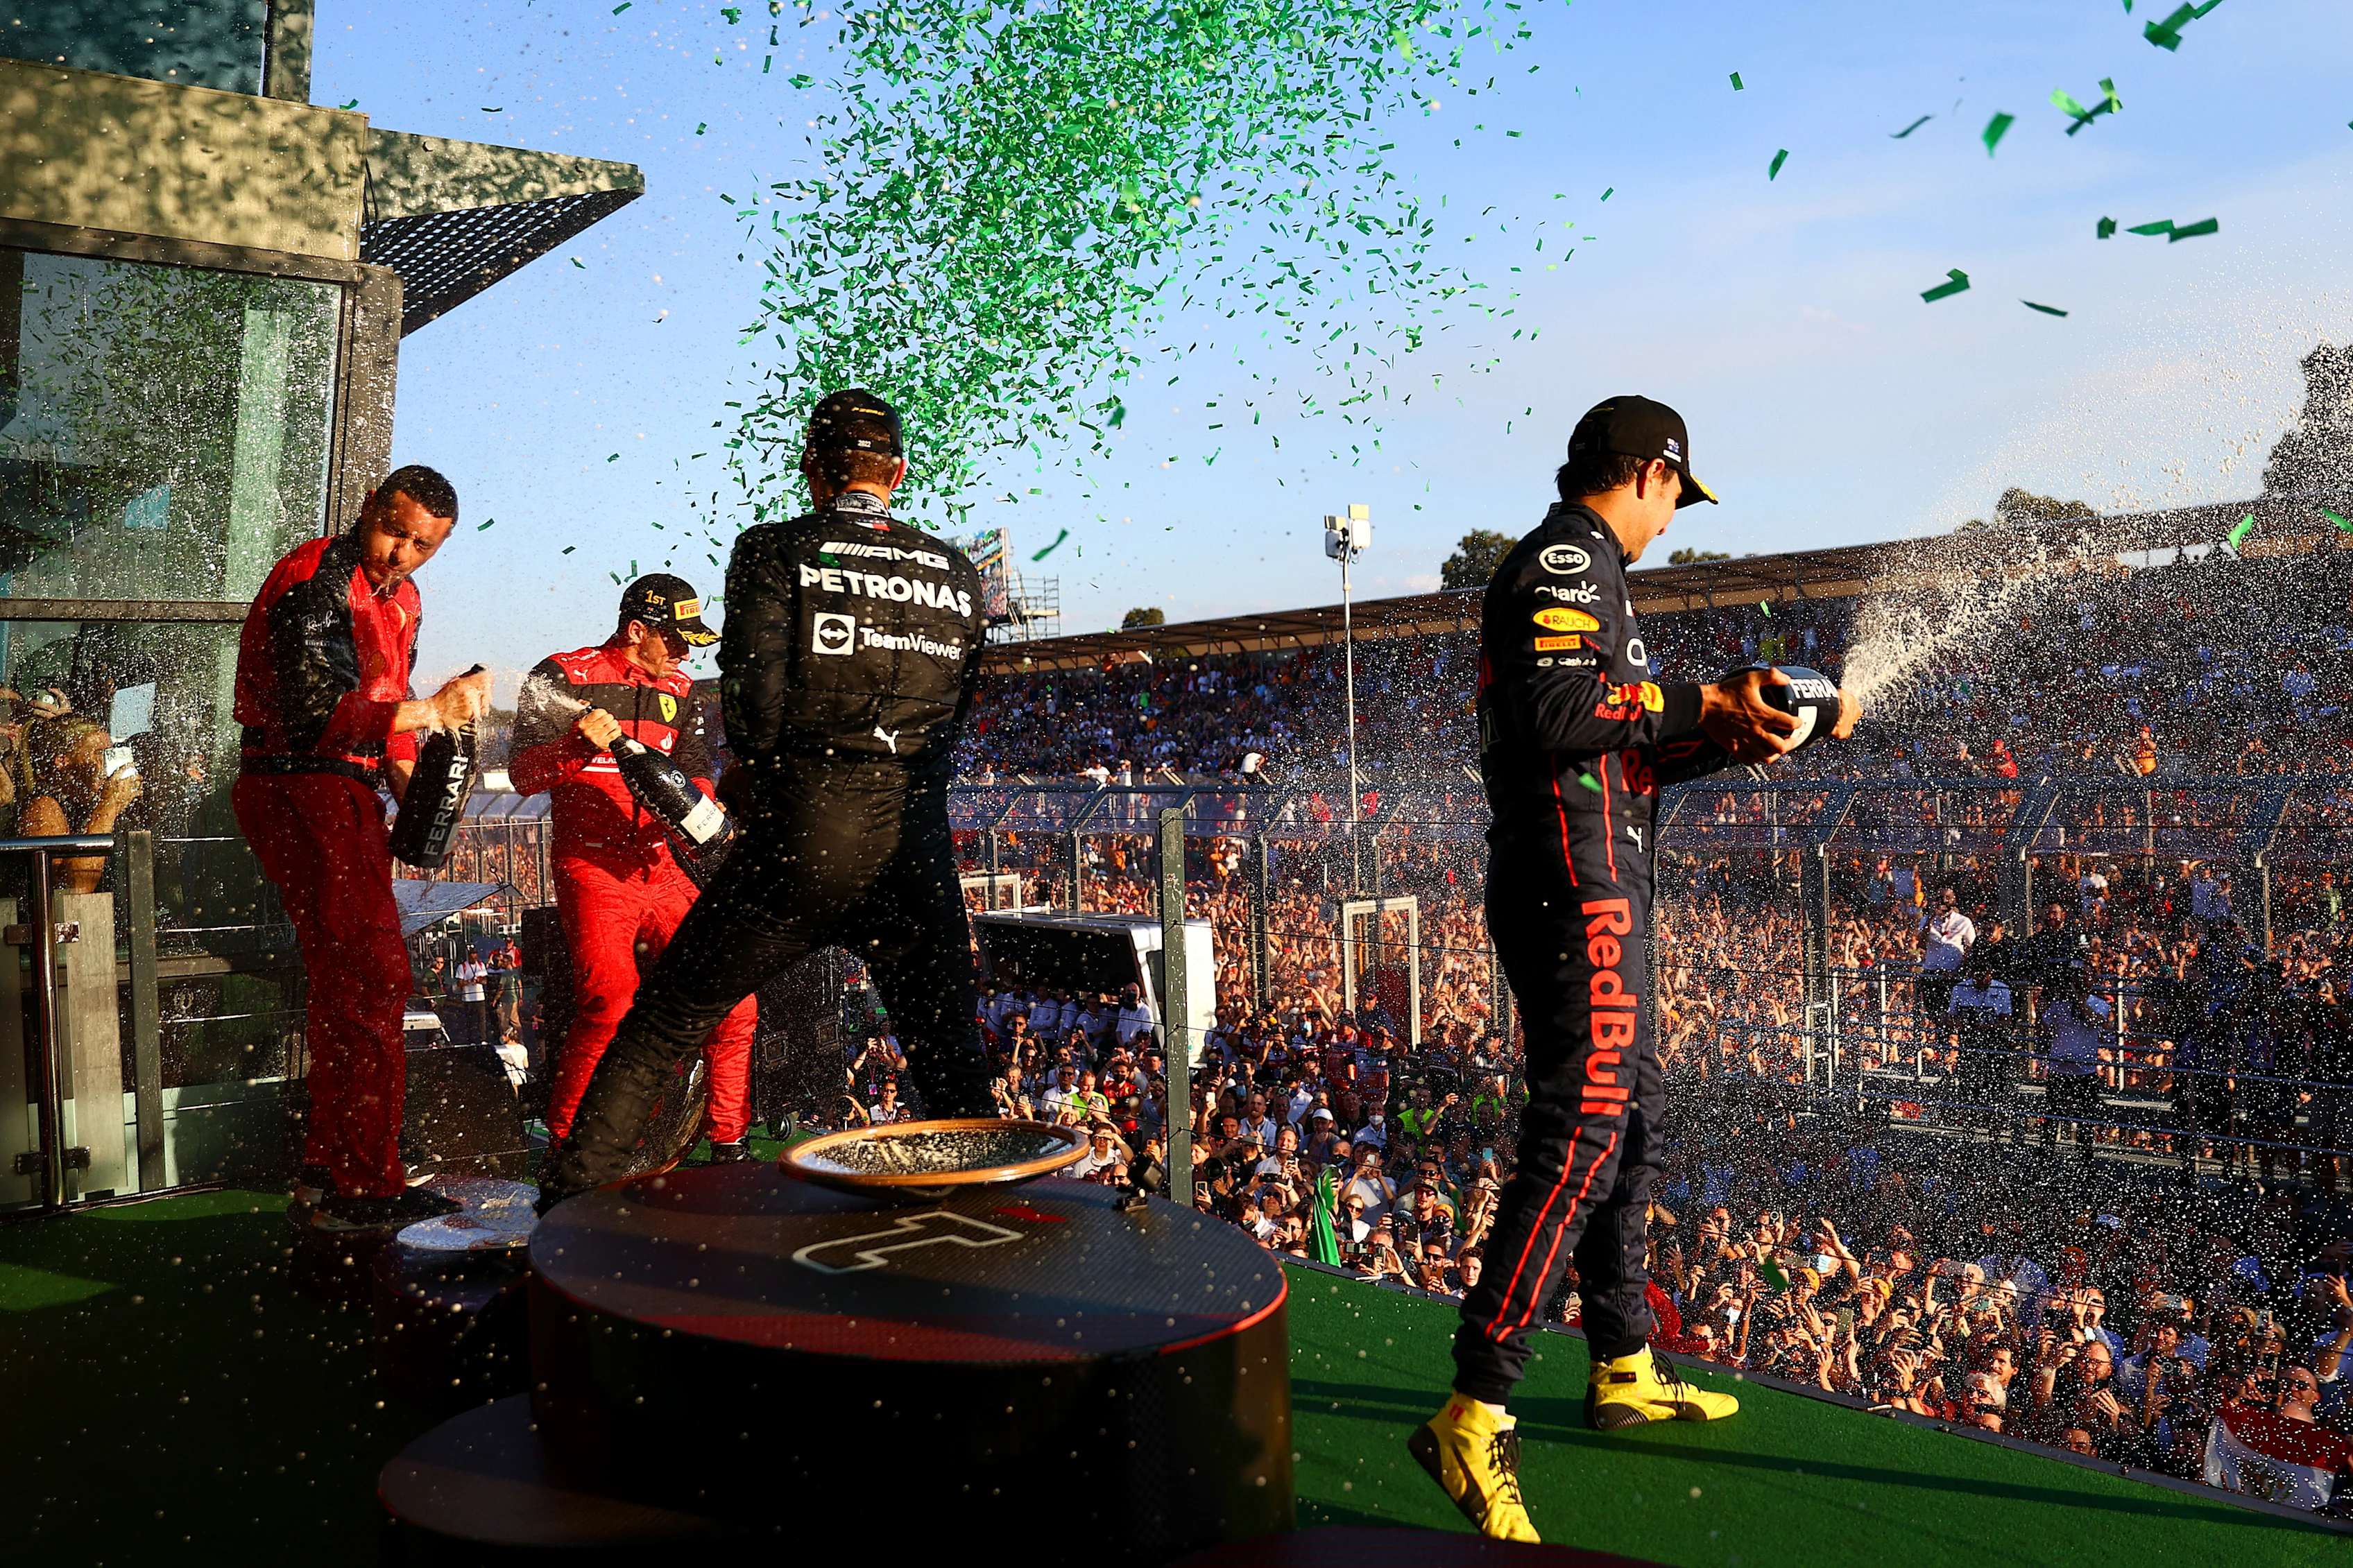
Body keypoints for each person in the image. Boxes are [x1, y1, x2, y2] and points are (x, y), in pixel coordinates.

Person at [1410, 395, 1859, 1542]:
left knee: (1634, 1115)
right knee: (1581, 1131)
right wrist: (1701, 701)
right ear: (1652, 474)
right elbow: (1557, 709)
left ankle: (1620, 1363)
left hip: (1598, 874)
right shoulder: (1566, 558)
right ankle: (1474, 1408)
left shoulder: (1596, 577)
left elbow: (1618, 747)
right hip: (1578, 886)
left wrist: (1749, 727)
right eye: (1676, 498)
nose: (1673, 522)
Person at [536, 390, 991, 1208]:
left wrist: (763, 791)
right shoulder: (958, 571)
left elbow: (751, 715)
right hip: (913, 847)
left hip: (804, 839)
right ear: (898, 472)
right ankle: (997, 1236)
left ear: (812, 470)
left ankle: (566, 1207)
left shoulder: (773, 549)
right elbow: (952, 720)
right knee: (952, 1061)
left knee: (662, 1022)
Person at [232, 465, 491, 1229]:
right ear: (370, 507)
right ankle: (366, 1182)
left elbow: (389, 715)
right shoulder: (313, 575)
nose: (402, 554)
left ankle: (332, 1168)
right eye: (394, 532)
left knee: (349, 983)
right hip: (302, 784)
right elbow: (317, 714)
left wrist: (420, 802)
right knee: (372, 977)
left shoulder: (404, 600)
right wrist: (435, 710)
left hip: (340, 790)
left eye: (423, 546)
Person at [508, 576, 760, 1160]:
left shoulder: (681, 686)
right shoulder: (561, 674)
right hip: (593, 868)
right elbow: (522, 774)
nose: (686, 652)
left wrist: (704, 804)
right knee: (611, 1004)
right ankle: (568, 1148)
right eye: (676, 638)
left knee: (735, 1001)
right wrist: (576, 745)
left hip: (662, 867)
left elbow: (693, 766)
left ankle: (729, 1144)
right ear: (637, 630)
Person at [20, 714, 144, 893]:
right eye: (98, 753)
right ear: (62, 761)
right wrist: (110, 805)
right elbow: (74, 889)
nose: (106, 762)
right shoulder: (43, 808)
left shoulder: (87, 804)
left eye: (109, 754)